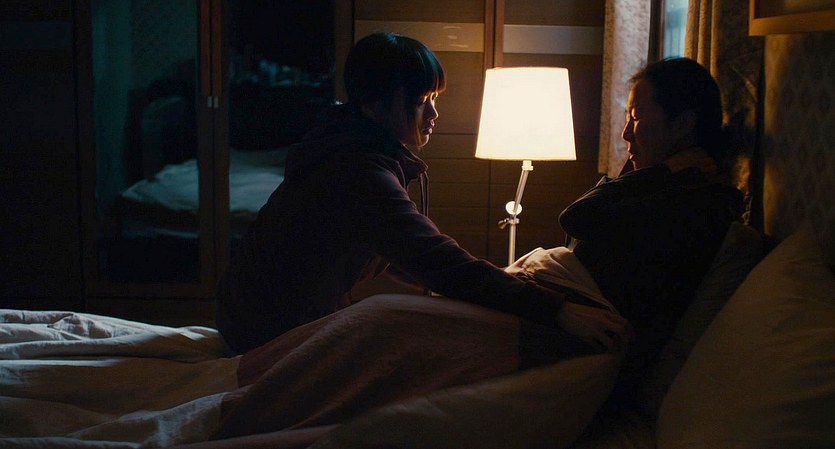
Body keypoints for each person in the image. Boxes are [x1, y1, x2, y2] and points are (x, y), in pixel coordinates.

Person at [215, 32, 630, 355]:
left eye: (433, 99)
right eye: (420, 102)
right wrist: (557, 309)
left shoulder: (348, 149)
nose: (433, 114)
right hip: (266, 332)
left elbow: (407, 251)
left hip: (253, 316)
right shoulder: (357, 172)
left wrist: (494, 284)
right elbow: (433, 258)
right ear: (374, 104)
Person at [555, 56, 744, 400]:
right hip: (565, 316)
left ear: (683, 124)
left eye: (636, 117)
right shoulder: (665, 190)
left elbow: (576, 218)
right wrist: (654, 174)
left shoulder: (696, 204)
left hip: (582, 347)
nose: (626, 133)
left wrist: (660, 172)